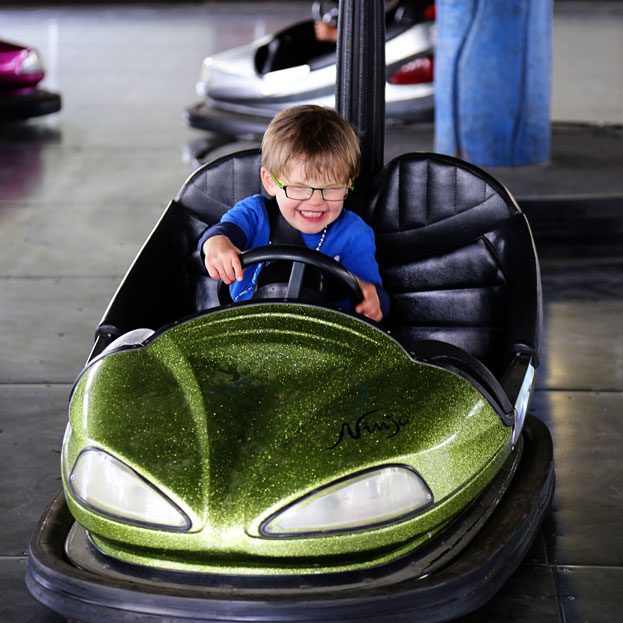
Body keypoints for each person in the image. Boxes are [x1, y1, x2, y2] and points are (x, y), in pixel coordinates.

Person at [198, 105, 388, 322]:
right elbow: (221, 233)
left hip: (325, 340)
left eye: (332, 188)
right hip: (248, 329)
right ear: (270, 182)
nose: (316, 201)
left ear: (347, 186)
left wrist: (373, 300)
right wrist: (216, 244)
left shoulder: (354, 234)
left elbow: (374, 297)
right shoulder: (255, 214)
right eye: (299, 187)